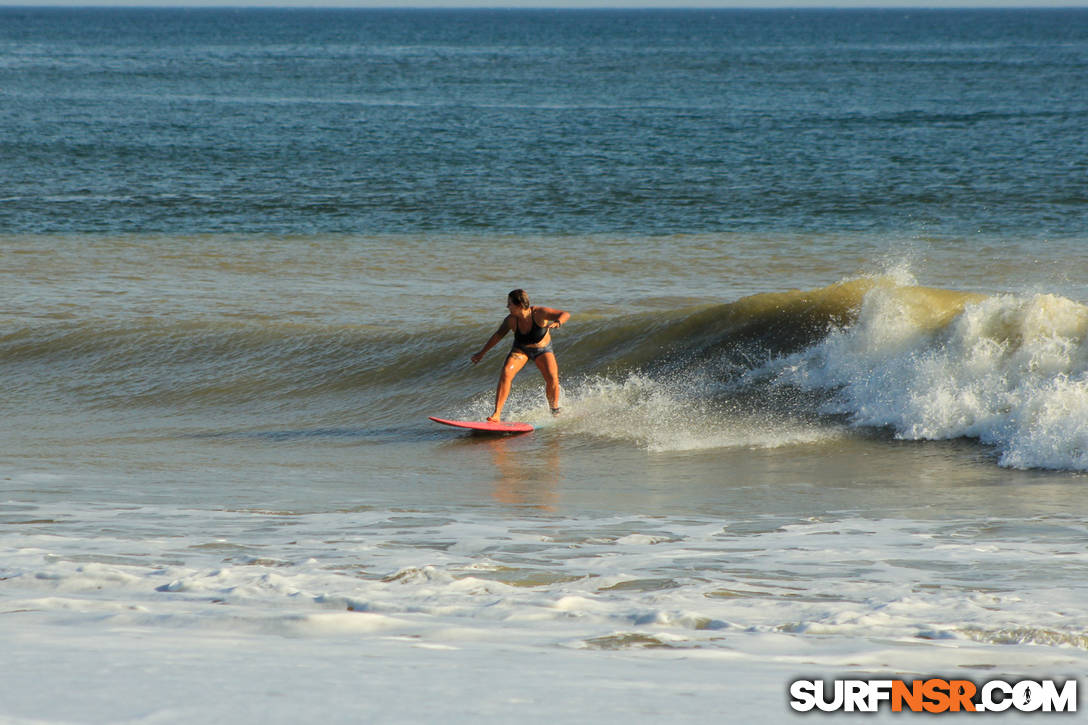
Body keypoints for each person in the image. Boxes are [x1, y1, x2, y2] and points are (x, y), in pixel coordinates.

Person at [471, 289, 571, 422]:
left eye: (509, 304)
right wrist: (482, 353)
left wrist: (558, 322)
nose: (507, 307)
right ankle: (497, 414)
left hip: (543, 350)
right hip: (521, 350)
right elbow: (498, 336)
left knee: (552, 378)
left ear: (519, 305)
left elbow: (565, 314)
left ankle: (554, 409)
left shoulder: (539, 313)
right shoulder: (511, 320)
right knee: (506, 372)